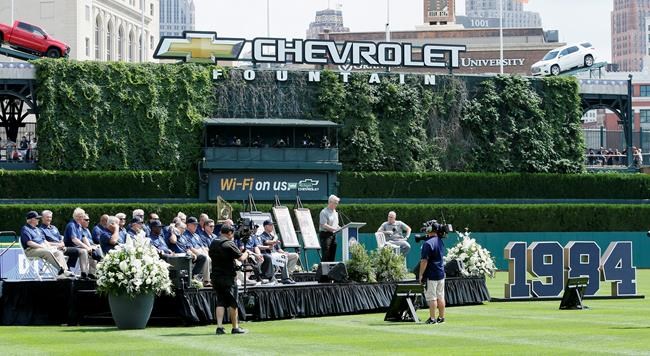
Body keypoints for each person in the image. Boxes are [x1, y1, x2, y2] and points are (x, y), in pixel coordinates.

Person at [209, 225, 249, 335]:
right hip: (228, 277)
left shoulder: (213, 242)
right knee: (233, 302)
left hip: (216, 276)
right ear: (230, 233)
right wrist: (247, 253)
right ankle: (235, 327)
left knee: (220, 301)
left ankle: (219, 327)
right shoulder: (228, 243)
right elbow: (241, 257)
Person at [21, 211, 75, 279]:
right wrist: (43, 247)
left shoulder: (37, 229)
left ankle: (63, 273)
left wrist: (51, 247)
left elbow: (44, 241)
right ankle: (61, 271)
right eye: (37, 218)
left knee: (58, 252)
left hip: (41, 249)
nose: (38, 220)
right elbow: (29, 243)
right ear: (32, 219)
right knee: (47, 252)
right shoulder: (25, 229)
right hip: (30, 250)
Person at [418, 222, 446, 325]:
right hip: (440, 272)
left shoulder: (427, 243)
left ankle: (433, 318)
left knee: (432, 298)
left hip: (431, 274)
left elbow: (424, 261)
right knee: (440, 296)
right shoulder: (440, 241)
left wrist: (421, 274)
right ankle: (442, 317)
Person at [259, 220, 298, 284]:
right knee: (282, 257)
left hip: (277, 254)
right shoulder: (262, 236)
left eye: (272, 225)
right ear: (265, 226)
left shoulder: (272, 236)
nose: (272, 227)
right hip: (269, 255)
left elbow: (278, 249)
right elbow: (266, 242)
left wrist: (284, 252)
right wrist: (274, 241)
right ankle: (285, 278)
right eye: (270, 225)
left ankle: (288, 274)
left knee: (295, 255)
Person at [63, 208, 93, 279]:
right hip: (68, 247)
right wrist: (86, 247)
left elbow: (83, 237)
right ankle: (84, 274)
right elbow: (74, 239)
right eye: (79, 216)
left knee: (94, 252)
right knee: (84, 251)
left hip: (76, 247)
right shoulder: (71, 225)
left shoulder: (79, 225)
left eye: (82, 216)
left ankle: (92, 273)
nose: (81, 218)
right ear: (75, 216)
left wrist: (89, 247)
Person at [319, 195, 341, 262]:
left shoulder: (335, 213)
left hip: (333, 235)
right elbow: (324, 225)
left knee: (332, 254)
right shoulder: (324, 212)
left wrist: (340, 228)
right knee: (326, 254)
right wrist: (334, 229)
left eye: (337, 203)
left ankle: (330, 271)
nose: (337, 205)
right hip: (325, 235)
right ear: (330, 202)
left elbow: (336, 225)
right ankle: (322, 271)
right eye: (335, 203)